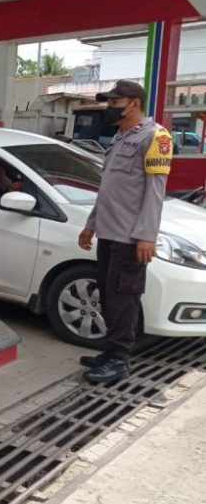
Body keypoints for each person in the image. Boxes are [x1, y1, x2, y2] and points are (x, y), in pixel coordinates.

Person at [78, 80, 172, 384]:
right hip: (108, 232)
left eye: (115, 102)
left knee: (123, 298)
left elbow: (155, 192)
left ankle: (119, 360)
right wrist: (91, 224)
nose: (110, 107)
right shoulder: (119, 138)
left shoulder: (155, 137)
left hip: (130, 237)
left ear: (133, 102)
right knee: (107, 295)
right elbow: (108, 189)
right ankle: (110, 349)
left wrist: (147, 235)